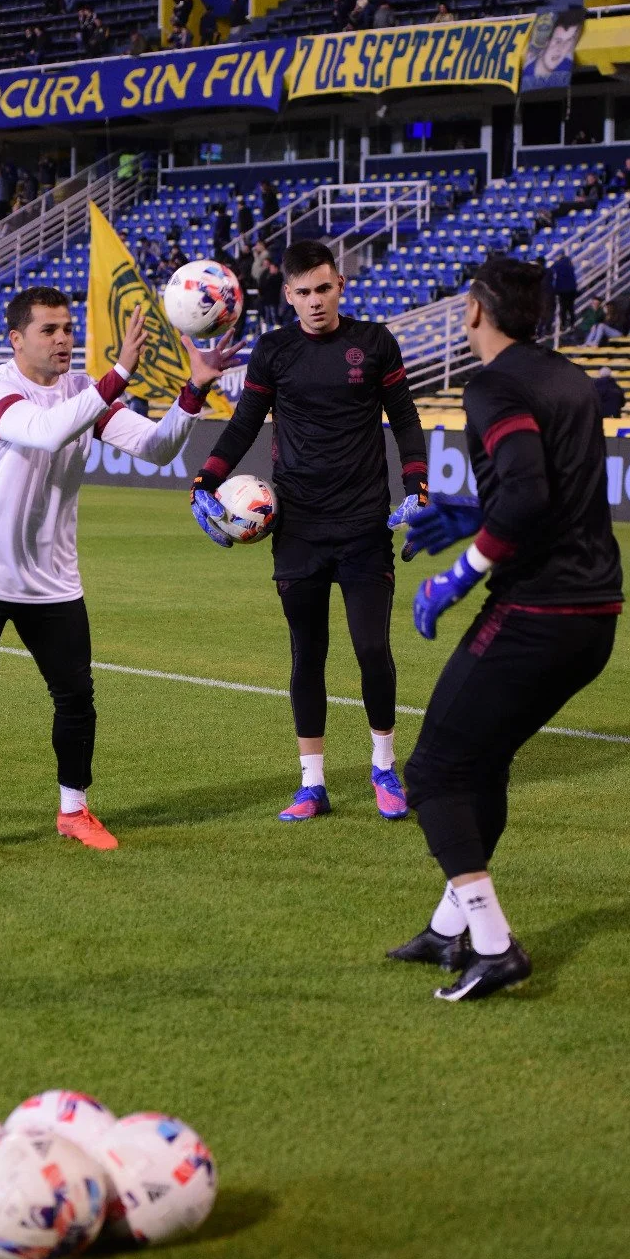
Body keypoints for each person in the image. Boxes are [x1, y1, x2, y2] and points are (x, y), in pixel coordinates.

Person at [0, 287, 242, 864]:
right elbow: (46, 430)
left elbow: (155, 448)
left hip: (51, 578)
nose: (63, 340)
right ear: (16, 339)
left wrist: (194, 389)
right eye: (49, 330)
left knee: (75, 696)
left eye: (68, 328)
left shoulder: (80, 390)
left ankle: (73, 810)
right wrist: (119, 373)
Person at [386, 257, 622, 1002]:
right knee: (481, 763)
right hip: (594, 613)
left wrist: (458, 575)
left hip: (539, 610)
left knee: (433, 774)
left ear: (474, 311)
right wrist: (471, 513)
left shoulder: (493, 385)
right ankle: (447, 928)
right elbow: (550, 492)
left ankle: (494, 946)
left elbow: (525, 492)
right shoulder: (568, 377)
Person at [188, 240, 429, 823]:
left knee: (372, 648)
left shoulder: (375, 343)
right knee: (307, 654)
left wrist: (417, 488)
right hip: (297, 526)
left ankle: (383, 767)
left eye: (324, 288)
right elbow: (245, 422)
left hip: (364, 524)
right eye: (303, 292)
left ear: (339, 286)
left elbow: (404, 417)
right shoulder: (275, 350)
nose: (315, 301)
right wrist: (205, 479)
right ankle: (312, 783)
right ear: (289, 295)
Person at [521, 9, 584, 90]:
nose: (560, 49)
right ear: (545, 42)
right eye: (558, 41)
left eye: (567, 42)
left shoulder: (565, 66)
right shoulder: (526, 75)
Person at [549, 251, 577, 329]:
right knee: (571, 307)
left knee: (563, 308)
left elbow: (551, 269)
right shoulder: (569, 262)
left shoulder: (558, 264)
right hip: (572, 288)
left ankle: (563, 324)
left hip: (562, 289)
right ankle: (572, 324)